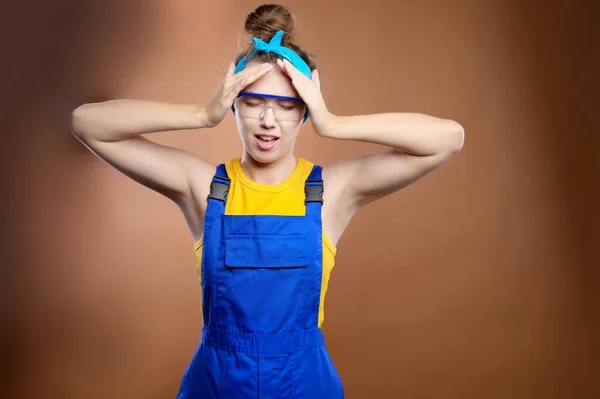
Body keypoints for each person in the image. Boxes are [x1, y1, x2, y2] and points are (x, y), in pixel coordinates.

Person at [70, 4, 464, 398]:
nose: (269, 121)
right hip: (216, 385)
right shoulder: (204, 188)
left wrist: (333, 122)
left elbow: (448, 138)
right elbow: (88, 123)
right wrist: (203, 113)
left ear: (304, 111)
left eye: (288, 105)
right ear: (235, 103)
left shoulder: (330, 192)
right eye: (255, 101)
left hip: (305, 386)